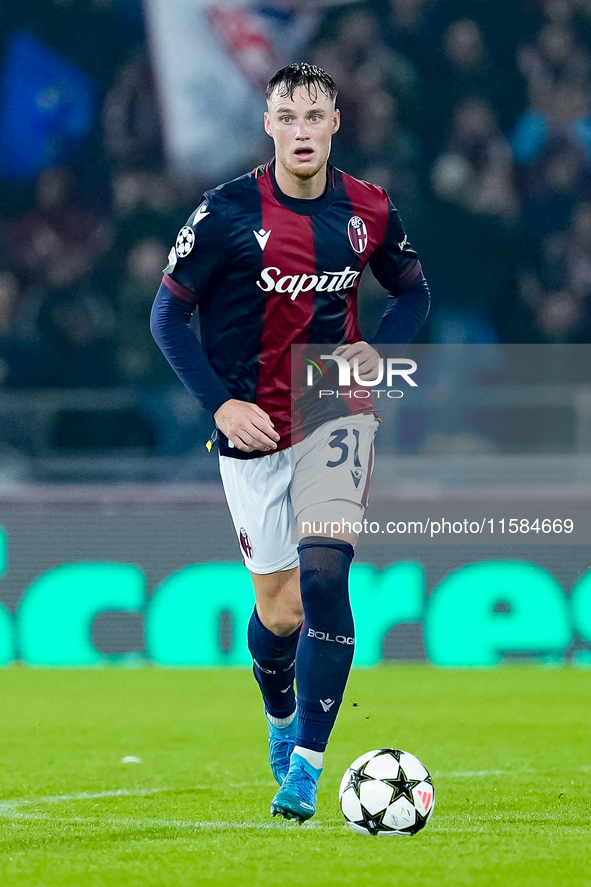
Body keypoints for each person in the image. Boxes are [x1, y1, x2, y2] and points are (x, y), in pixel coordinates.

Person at [151, 63, 430, 821]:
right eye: (287, 117)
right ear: (268, 125)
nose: (301, 130)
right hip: (252, 430)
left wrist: (381, 347)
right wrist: (220, 406)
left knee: (323, 579)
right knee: (277, 615)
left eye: (315, 116)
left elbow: (413, 291)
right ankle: (279, 716)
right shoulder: (226, 213)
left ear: (335, 122)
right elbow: (166, 319)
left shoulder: (367, 208)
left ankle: (305, 767)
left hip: (334, 409)